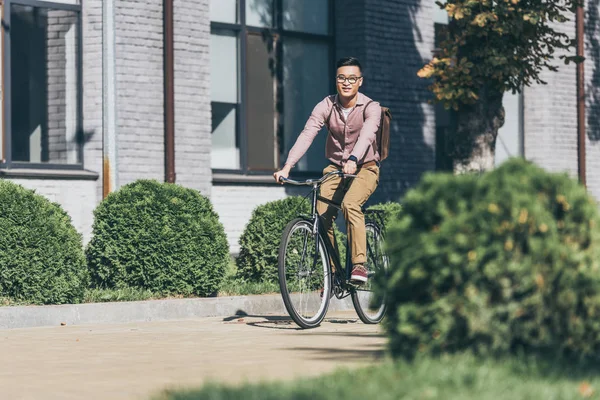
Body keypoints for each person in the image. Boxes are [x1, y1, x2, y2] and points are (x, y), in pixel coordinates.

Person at [273, 57, 382, 285]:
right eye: (342, 77)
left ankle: (359, 264)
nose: (346, 82)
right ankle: (333, 273)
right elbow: (307, 134)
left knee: (350, 204)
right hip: (335, 169)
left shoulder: (371, 108)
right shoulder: (326, 105)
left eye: (352, 78)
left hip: (365, 168)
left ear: (360, 81)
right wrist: (287, 166)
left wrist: (353, 158)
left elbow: (367, 135)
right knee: (321, 216)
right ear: (336, 80)